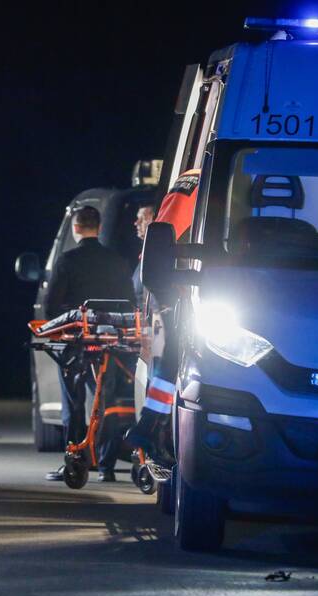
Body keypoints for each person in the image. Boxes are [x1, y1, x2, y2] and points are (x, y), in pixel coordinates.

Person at [44, 205, 135, 482]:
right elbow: (129, 303)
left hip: (75, 343)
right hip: (109, 342)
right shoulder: (118, 262)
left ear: (75, 228)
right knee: (106, 402)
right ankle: (106, 466)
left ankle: (75, 460)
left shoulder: (67, 261)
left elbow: (50, 308)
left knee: (73, 404)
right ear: (98, 226)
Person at [125, 169, 201, 459]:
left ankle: (151, 434)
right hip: (171, 288)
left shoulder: (189, 179)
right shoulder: (214, 177)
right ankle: (150, 432)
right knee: (170, 366)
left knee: (164, 366)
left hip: (160, 283)